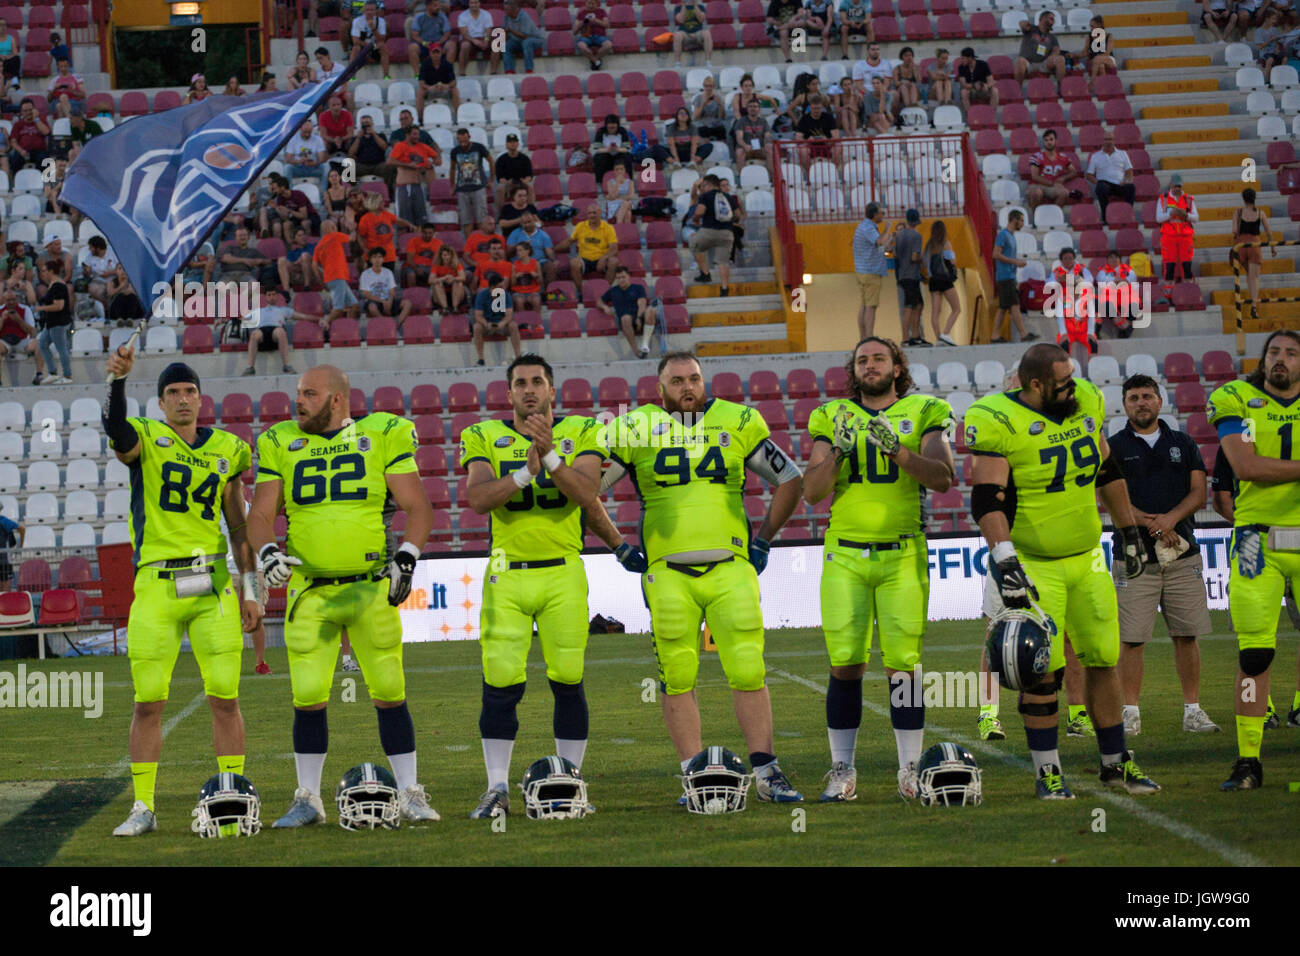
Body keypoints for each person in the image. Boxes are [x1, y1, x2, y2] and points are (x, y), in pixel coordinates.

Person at [597, 351, 807, 805]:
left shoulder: (738, 420)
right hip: (667, 572)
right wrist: (617, 544)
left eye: (694, 378)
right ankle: (694, 776)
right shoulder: (635, 426)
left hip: (731, 567)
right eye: (677, 381)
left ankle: (768, 772)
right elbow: (587, 488)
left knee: (748, 668)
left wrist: (765, 539)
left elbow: (791, 478)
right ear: (660, 388)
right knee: (677, 675)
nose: (688, 387)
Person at [967, 342, 1160, 798]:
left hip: (1087, 556)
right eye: (1062, 382)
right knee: (1041, 670)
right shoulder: (996, 419)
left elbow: (1107, 469)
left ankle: (1115, 763)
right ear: (1034, 385)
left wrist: (1129, 529)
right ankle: (1048, 771)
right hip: (1036, 563)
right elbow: (986, 499)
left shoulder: (1086, 402)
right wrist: (1005, 559)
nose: (1073, 388)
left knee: (1102, 657)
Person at [249, 364, 440, 826]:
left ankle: (411, 791)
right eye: (298, 393)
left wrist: (408, 557)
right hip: (310, 590)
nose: (298, 402)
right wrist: (267, 552)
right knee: (308, 694)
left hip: (370, 585)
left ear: (336, 399)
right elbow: (259, 514)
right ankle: (308, 798)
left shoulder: (383, 433)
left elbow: (418, 506)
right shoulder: (279, 442)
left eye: (309, 394)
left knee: (390, 691)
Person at [102, 355, 260, 836]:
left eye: (189, 391)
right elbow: (115, 425)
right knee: (148, 701)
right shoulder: (146, 437)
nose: (183, 399)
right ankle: (143, 806)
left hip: (211, 581)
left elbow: (237, 525)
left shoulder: (229, 449)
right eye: (173, 393)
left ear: (200, 396)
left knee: (225, 698)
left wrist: (250, 587)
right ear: (162, 401)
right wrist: (117, 377)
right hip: (155, 583)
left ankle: (230, 792)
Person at [802, 337, 955, 800]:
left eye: (879, 358)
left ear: (896, 366)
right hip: (845, 553)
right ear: (854, 369)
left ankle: (909, 769)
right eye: (862, 359)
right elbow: (811, 492)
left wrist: (899, 452)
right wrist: (839, 454)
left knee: (903, 667)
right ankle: (842, 771)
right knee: (845, 664)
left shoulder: (925, 409)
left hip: (902, 551)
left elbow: (943, 477)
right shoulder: (832, 416)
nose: (870, 365)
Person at [459, 355, 610, 818]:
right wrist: (524, 473)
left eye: (537, 382)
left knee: (568, 679)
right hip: (507, 573)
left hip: (563, 568)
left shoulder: (583, 430)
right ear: (508, 394)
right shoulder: (483, 434)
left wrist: (548, 457)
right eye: (520, 383)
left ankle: (571, 781)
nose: (529, 389)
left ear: (552, 389)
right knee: (501, 684)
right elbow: (478, 499)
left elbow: (587, 494)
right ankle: (497, 788)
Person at [1207, 330, 1300, 788]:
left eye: (1291, 353)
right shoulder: (1236, 399)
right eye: (1273, 352)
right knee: (1255, 653)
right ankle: (1248, 760)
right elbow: (1245, 466)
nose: (1280, 360)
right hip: (1255, 539)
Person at [1108, 374, 1218, 735]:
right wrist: (1151, 524)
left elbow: (1199, 493)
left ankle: (1193, 710)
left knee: (1187, 635)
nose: (1141, 402)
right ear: (1124, 405)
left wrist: (1168, 520)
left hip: (1181, 553)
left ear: (1160, 401)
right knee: (1132, 639)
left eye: (1147, 396)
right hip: (1134, 557)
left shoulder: (1183, 442)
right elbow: (1106, 497)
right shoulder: (1113, 446)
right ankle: (1130, 712)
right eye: (1134, 398)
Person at [688, 174, 737, 295]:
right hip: (727, 233)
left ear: (709, 185)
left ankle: (705, 273)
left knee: (694, 243)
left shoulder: (705, 196)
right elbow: (737, 215)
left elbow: (700, 212)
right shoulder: (728, 197)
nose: (703, 188)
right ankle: (725, 289)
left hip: (708, 231)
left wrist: (694, 218)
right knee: (723, 262)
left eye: (704, 185)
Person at [1231, 187, 1275, 321]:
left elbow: (1234, 231)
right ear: (1254, 199)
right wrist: (1272, 248)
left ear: (1243, 199)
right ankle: (1254, 306)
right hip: (1255, 245)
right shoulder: (1260, 213)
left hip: (1241, 245)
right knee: (1254, 278)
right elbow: (1268, 232)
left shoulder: (1238, 212)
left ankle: (1250, 302)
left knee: (1248, 276)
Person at [992, 210, 1034, 344]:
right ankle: (1023, 333)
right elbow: (996, 254)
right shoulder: (1003, 235)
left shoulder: (1011, 236)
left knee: (1003, 307)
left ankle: (995, 335)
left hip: (1009, 275)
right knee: (1014, 305)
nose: (1022, 223)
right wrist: (1016, 262)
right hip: (1005, 276)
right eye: (1021, 220)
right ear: (1014, 220)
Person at [241, 287, 304, 375]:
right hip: (262, 335)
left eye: (274, 294)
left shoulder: (283, 310)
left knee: (281, 332)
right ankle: (250, 367)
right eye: (269, 295)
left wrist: (318, 319)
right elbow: (243, 319)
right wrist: (222, 320)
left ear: (277, 296)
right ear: (266, 297)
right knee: (254, 334)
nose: (271, 297)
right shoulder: (258, 311)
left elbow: (303, 316)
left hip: (276, 334)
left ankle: (286, 365)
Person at [851, 202, 892, 339]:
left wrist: (889, 242)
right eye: (882, 213)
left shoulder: (864, 227)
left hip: (863, 270)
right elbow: (879, 242)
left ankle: (863, 336)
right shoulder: (868, 227)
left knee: (864, 305)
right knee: (871, 306)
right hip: (870, 272)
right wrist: (887, 230)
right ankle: (868, 336)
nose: (883, 216)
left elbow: (876, 247)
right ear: (875, 214)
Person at [558, 203, 619, 291]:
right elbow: (569, 241)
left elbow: (614, 249)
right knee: (574, 263)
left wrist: (603, 258)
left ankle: (605, 291)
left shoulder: (609, 228)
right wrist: (554, 249)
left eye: (594, 213)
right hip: (584, 259)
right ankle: (582, 292)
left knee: (614, 262)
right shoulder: (580, 226)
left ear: (600, 213)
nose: (592, 215)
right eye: (589, 213)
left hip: (601, 259)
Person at [1156, 174, 1197, 301]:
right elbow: (1158, 218)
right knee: (1169, 266)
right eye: (1175, 186)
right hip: (1169, 236)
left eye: (1179, 186)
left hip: (1185, 236)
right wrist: (1170, 213)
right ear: (1170, 185)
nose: (1177, 188)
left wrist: (1186, 215)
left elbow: (1196, 217)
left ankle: (1188, 292)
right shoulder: (1163, 199)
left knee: (1187, 266)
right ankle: (1168, 296)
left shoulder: (1188, 199)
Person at [390, 124, 441, 227]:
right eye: (414, 134)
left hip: (417, 186)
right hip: (403, 186)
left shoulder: (422, 147)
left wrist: (432, 163)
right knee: (404, 223)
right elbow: (390, 161)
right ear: (407, 135)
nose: (417, 136)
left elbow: (438, 159)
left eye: (418, 134)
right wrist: (407, 165)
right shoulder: (400, 146)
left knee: (421, 221)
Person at [1048, 246, 1095, 354]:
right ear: (1061, 260)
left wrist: (1071, 278)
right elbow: (1049, 284)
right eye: (1065, 258)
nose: (1068, 261)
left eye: (1070, 258)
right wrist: (1058, 280)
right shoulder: (1057, 271)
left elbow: (1089, 280)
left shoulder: (1081, 268)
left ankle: (1091, 332)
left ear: (1074, 259)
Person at [312, 220, 358, 330]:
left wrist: (321, 281)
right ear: (332, 228)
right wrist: (353, 229)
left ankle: (349, 329)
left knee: (353, 305)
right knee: (338, 309)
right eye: (334, 226)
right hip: (338, 276)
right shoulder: (335, 236)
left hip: (330, 279)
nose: (336, 228)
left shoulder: (318, 246)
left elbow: (314, 266)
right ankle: (323, 322)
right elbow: (352, 238)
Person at [34, 261, 73, 384]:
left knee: (61, 348)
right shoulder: (52, 285)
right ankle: (53, 372)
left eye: (45, 271)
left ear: (51, 271)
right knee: (42, 344)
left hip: (59, 323)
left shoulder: (58, 286)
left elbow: (59, 306)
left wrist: (41, 308)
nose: (43, 274)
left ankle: (67, 376)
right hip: (51, 323)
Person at [600, 264, 651, 357]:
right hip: (625, 320)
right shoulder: (613, 291)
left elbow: (642, 304)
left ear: (628, 276)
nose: (621, 280)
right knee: (625, 318)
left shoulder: (638, 288)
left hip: (639, 316)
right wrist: (604, 307)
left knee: (651, 311)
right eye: (618, 278)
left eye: (623, 277)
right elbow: (599, 301)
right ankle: (636, 351)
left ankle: (645, 345)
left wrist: (639, 318)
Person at [450, 127, 494, 234]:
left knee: (481, 219)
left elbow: (491, 161)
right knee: (466, 221)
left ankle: (482, 242)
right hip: (462, 189)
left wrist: (492, 179)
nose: (463, 143)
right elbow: (452, 168)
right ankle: (469, 244)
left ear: (469, 137)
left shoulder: (479, 147)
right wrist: (452, 185)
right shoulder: (455, 151)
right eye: (460, 140)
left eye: (465, 140)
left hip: (478, 187)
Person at [472, 272, 522, 365]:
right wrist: (486, 324)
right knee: (477, 327)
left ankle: (518, 356)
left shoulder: (506, 295)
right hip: (487, 325)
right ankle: (481, 359)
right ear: (492, 288)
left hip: (502, 324)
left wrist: (502, 324)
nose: (503, 289)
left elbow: (509, 315)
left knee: (513, 325)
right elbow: (478, 315)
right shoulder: (482, 295)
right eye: (501, 287)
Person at [1085, 127, 1135, 221]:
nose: (1108, 142)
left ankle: (1128, 215)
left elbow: (1129, 171)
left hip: (1120, 184)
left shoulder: (1122, 153)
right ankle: (1106, 217)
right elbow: (1089, 175)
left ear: (1114, 140)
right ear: (1102, 141)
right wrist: (1098, 182)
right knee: (1101, 187)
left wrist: (1126, 180)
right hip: (1105, 185)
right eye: (1106, 139)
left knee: (1131, 187)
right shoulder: (1095, 156)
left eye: (1110, 139)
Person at [0, 286, 46, 384]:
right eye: (8, 300)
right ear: (4, 300)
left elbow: (32, 332)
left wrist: (19, 320)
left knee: (40, 343)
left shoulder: (25, 309)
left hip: (22, 340)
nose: (11, 302)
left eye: (13, 299)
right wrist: (2, 320)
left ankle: (39, 374)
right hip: (4, 341)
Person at [1025, 129, 1081, 210]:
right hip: (1037, 185)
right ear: (1043, 142)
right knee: (1037, 193)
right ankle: (1036, 219)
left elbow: (1074, 172)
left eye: (1051, 139)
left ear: (1056, 141)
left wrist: (1063, 178)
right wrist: (1052, 184)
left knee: (1064, 193)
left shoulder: (1063, 157)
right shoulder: (1036, 156)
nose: (1049, 142)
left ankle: (1052, 215)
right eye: (1046, 140)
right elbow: (1035, 176)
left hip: (1051, 188)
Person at [359, 246, 413, 329]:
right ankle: (387, 325)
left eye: (380, 257)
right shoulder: (365, 274)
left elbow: (392, 291)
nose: (377, 260)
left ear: (383, 259)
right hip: (374, 301)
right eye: (374, 257)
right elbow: (366, 294)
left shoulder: (388, 272)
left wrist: (389, 302)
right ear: (370, 260)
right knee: (372, 307)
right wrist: (383, 302)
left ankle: (396, 325)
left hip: (388, 300)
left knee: (407, 303)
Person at [925, 221, 960, 346]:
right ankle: (946, 333)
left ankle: (939, 338)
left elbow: (926, 265)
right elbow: (952, 261)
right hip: (945, 280)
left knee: (935, 312)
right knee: (956, 308)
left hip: (933, 280)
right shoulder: (945, 244)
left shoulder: (929, 246)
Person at [894, 209, 925, 346]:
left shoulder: (899, 235)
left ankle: (915, 336)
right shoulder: (916, 236)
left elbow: (895, 254)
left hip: (902, 273)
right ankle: (906, 338)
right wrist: (921, 260)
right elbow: (915, 257)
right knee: (910, 306)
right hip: (912, 274)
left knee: (917, 305)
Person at [507, 211, 556, 289]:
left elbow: (549, 251)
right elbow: (508, 253)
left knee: (550, 266)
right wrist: (521, 245)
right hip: (519, 263)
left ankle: (547, 292)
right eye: (524, 223)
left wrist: (554, 260)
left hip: (539, 262)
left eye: (529, 222)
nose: (527, 225)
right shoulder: (515, 234)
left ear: (534, 221)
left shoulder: (543, 235)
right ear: (521, 224)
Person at [407, 0, 458, 75]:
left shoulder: (442, 17)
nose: (438, 8)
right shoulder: (419, 17)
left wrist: (440, 42)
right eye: (435, 6)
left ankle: (447, 73)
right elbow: (414, 34)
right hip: (424, 44)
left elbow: (447, 33)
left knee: (451, 45)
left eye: (438, 5)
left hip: (439, 44)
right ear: (428, 7)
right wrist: (424, 43)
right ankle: (418, 75)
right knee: (412, 47)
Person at [1015, 10, 1066, 83]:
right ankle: (1018, 91)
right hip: (1028, 63)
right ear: (1041, 19)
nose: (1052, 22)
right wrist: (1023, 23)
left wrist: (1052, 56)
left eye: (1053, 20)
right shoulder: (1031, 29)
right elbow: (1022, 24)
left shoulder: (1052, 37)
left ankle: (1061, 88)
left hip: (1043, 63)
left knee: (1061, 59)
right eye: (1050, 18)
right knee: (1019, 61)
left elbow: (1056, 49)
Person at [347, 115, 392, 190]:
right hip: (362, 166)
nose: (365, 125)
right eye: (363, 124)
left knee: (389, 166)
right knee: (348, 169)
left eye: (367, 123)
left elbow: (385, 147)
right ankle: (353, 193)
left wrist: (373, 134)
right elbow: (351, 154)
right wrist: (358, 138)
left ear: (372, 124)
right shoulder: (356, 138)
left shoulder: (380, 135)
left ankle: (388, 191)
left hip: (378, 165)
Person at [501, 0, 545, 74]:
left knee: (526, 42)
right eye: (505, 10)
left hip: (535, 39)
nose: (505, 12)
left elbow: (525, 36)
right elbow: (504, 30)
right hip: (518, 40)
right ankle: (509, 70)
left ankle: (529, 70)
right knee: (505, 46)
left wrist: (511, 30)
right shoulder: (507, 16)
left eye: (507, 10)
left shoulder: (524, 16)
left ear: (513, 9)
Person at [351, 0, 392, 77]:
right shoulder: (357, 21)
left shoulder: (381, 21)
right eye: (367, 10)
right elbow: (355, 40)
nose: (369, 12)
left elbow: (382, 40)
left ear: (376, 11)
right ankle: (351, 75)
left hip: (375, 46)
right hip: (363, 46)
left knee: (383, 47)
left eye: (372, 10)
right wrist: (368, 46)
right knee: (355, 48)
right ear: (364, 10)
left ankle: (386, 75)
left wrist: (373, 28)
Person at [459, 0, 501, 73]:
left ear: (479, 3)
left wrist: (486, 40)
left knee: (497, 43)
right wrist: (474, 41)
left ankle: (493, 71)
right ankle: (462, 72)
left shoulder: (486, 14)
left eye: (476, 2)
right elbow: (464, 33)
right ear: (469, 4)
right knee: (465, 45)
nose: (474, 5)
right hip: (470, 39)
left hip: (484, 37)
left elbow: (488, 30)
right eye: (472, 3)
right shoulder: (463, 15)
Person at [8, 98, 49, 172]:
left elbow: (46, 132)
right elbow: (13, 141)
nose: (28, 112)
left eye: (30, 110)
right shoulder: (18, 124)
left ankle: (41, 182)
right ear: (21, 112)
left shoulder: (40, 121)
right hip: (23, 151)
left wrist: (36, 118)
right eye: (25, 111)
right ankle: (17, 181)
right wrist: (21, 151)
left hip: (39, 151)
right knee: (14, 160)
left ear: (34, 109)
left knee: (45, 161)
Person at [731, 99, 772, 171]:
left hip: (760, 148)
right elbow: (739, 138)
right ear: (747, 109)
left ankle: (771, 176)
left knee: (769, 149)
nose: (753, 108)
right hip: (747, 148)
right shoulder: (741, 121)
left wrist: (766, 144)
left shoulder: (763, 121)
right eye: (750, 106)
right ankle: (741, 177)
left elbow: (767, 136)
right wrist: (745, 145)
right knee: (740, 151)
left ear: (759, 109)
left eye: (755, 107)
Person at [494, 133, 534, 208]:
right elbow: (500, 178)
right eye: (510, 142)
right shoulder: (501, 159)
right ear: (506, 145)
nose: (512, 144)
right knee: (500, 188)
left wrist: (525, 181)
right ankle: (501, 215)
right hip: (508, 184)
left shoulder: (524, 158)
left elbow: (529, 175)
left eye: (514, 142)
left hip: (522, 183)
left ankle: (532, 211)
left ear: (518, 144)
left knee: (530, 186)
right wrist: (507, 183)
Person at [591, 113, 633, 183]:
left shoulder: (622, 131)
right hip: (606, 153)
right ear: (606, 126)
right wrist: (607, 149)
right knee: (599, 158)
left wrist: (618, 149)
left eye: (613, 128)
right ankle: (600, 181)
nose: (611, 129)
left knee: (627, 157)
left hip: (619, 153)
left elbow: (627, 149)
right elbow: (597, 149)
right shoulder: (600, 132)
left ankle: (628, 180)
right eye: (610, 128)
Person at [956, 46, 998, 112]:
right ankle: (969, 115)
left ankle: (992, 114)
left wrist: (983, 85)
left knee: (995, 91)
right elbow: (963, 85)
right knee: (963, 92)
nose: (961, 60)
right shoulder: (961, 67)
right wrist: (974, 85)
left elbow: (991, 81)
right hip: (971, 91)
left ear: (970, 58)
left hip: (983, 90)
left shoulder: (983, 64)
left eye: (963, 58)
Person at [672, 1, 714, 68]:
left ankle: (708, 62)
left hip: (698, 33)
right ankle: (677, 64)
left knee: (707, 33)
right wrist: (684, 5)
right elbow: (681, 20)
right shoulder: (678, 8)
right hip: (684, 34)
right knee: (677, 35)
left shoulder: (701, 7)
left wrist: (695, 5)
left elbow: (701, 19)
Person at [404, 220, 444, 289]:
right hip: (414, 266)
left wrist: (433, 271)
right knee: (411, 275)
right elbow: (409, 259)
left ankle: (434, 296)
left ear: (434, 233)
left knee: (438, 276)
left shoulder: (439, 243)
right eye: (425, 233)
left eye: (430, 233)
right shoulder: (413, 241)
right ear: (421, 232)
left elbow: (437, 259)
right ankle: (413, 296)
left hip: (430, 266)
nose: (427, 235)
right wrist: (417, 269)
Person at [575, 0, 613, 70]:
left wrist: (596, 20)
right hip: (585, 36)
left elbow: (607, 25)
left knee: (608, 45)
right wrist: (580, 24)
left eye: (593, 3)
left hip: (599, 36)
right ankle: (596, 61)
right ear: (586, 3)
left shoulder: (602, 11)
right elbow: (574, 32)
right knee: (581, 45)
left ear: (596, 4)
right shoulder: (581, 13)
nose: (591, 5)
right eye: (589, 3)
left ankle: (594, 60)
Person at [431, 244, 469, 315]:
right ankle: (445, 308)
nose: (447, 257)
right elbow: (430, 280)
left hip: (456, 294)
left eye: (449, 255)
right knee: (437, 284)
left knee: (458, 282)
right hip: (441, 295)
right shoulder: (436, 266)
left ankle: (455, 307)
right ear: (441, 256)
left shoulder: (457, 264)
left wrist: (453, 278)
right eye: (445, 255)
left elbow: (463, 277)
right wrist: (443, 278)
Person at [691, 76, 728, 141]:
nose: (708, 88)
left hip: (715, 124)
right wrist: (702, 104)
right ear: (703, 86)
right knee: (703, 131)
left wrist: (720, 105)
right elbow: (695, 118)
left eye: (710, 86)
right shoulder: (698, 98)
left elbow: (723, 117)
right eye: (706, 86)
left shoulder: (718, 98)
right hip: (703, 124)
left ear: (714, 86)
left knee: (721, 130)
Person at [510, 241, 543, 313]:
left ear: (527, 251)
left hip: (532, 292)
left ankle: (537, 323)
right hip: (518, 292)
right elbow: (512, 284)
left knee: (536, 300)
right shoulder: (514, 265)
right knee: (519, 301)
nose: (518, 253)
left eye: (520, 250)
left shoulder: (536, 263)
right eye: (517, 250)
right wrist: (516, 276)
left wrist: (536, 276)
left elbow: (540, 282)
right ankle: (522, 323)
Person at [892, 47, 923, 117]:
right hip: (901, 92)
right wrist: (903, 82)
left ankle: (912, 105)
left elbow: (919, 81)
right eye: (906, 55)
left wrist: (914, 69)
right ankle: (908, 106)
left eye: (910, 55)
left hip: (915, 92)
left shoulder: (916, 67)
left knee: (913, 85)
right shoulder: (897, 69)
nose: (909, 57)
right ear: (902, 57)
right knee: (904, 86)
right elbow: (896, 83)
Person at [0, 500, 22, 591]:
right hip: (4, 559)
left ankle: (6, 603)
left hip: (4, 559)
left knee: (5, 585)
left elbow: (21, 530)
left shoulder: (4, 521)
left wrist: (21, 546)